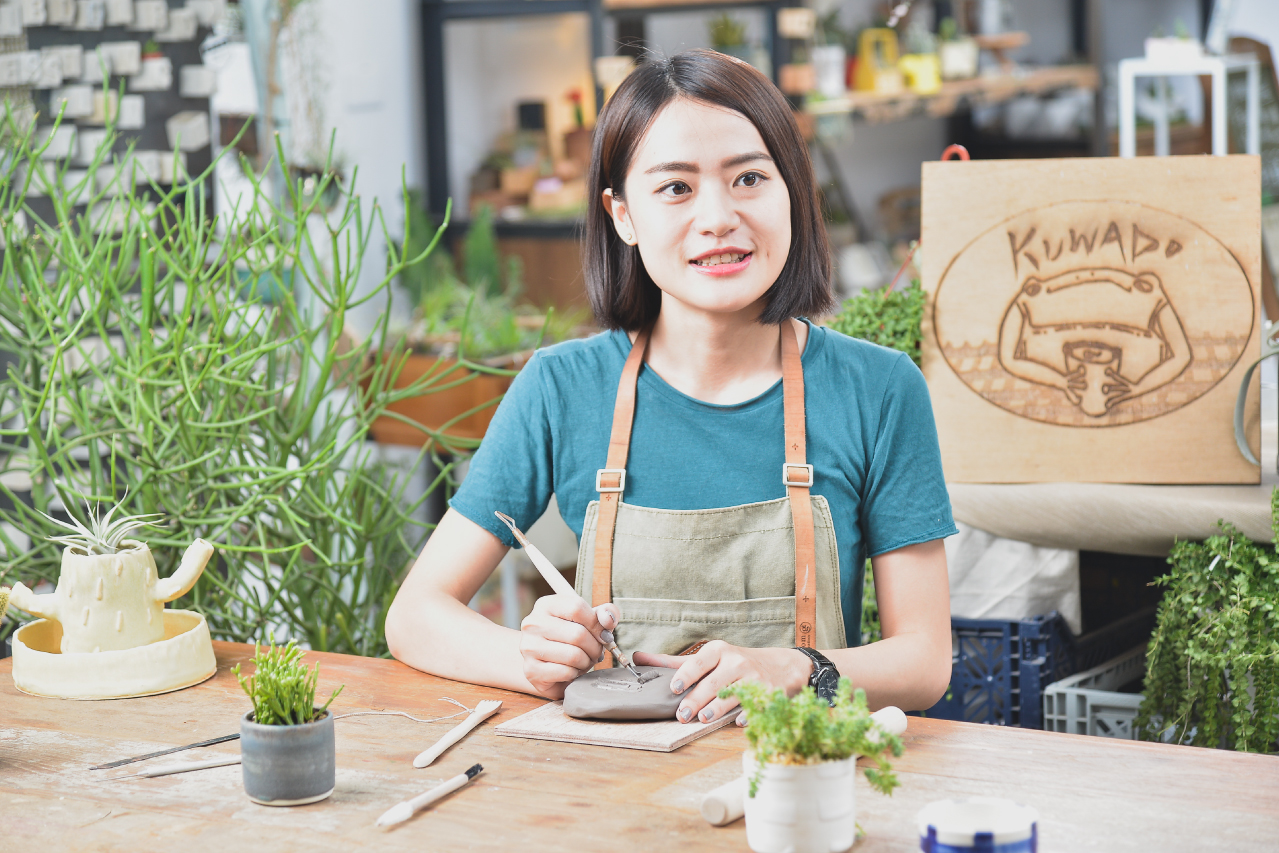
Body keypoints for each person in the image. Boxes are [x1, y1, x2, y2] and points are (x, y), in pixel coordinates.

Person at [386, 49, 956, 724]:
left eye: (748, 178)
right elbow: (415, 616)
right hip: (609, 795)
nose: (717, 217)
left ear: (794, 192)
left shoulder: (879, 390)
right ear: (622, 215)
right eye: (676, 188)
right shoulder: (561, 388)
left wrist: (799, 668)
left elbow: (923, 663)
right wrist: (529, 657)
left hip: (798, 783)